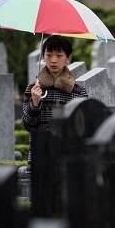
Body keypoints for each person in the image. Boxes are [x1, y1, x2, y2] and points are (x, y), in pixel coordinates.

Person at [21, 35, 88, 173]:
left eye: (59, 55)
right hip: (39, 153)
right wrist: (34, 103)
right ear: (43, 56)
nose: (53, 60)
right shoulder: (33, 89)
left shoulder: (78, 90)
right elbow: (27, 125)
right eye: (49, 54)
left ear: (68, 58)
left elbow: (82, 126)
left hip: (68, 154)